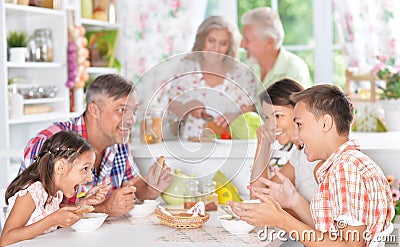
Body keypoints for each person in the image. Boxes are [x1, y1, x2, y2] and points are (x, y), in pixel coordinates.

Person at [230, 84, 394, 246]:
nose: (297, 134)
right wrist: (294, 201)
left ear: (325, 123)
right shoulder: (345, 164)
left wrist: (281, 219)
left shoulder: (345, 169)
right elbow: (328, 231)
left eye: (299, 124)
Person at [19, 74, 173, 217]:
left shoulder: (117, 142)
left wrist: (151, 187)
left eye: (134, 111)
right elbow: (34, 209)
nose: (131, 120)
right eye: (122, 110)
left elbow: (134, 188)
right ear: (94, 110)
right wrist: (105, 208)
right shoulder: (49, 142)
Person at [0, 131, 102, 247]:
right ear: (60, 167)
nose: (90, 178)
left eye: (90, 170)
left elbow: (51, 213)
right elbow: (6, 239)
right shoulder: (32, 193)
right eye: (85, 169)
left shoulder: (55, 194)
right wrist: (52, 220)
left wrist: (84, 203)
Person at [168, 15, 257, 140]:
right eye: (211, 40)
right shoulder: (186, 67)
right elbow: (172, 105)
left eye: (223, 43)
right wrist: (188, 107)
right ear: (202, 41)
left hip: (231, 143)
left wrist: (235, 117)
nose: (216, 49)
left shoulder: (241, 73)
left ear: (229, 47)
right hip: (191, 142)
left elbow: (250, 112)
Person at [250, 79, 319, 209]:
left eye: (278, 116)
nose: (270, 125)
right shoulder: (299, 155)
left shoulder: (316, 155)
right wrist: (263, 145)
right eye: (267, 118)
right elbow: (259, 197)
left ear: (299, 112)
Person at [240, 7, 311, 94]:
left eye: (247, 39)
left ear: (269, 42)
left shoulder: (294, 69)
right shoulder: (251, 68)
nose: (242, 45)